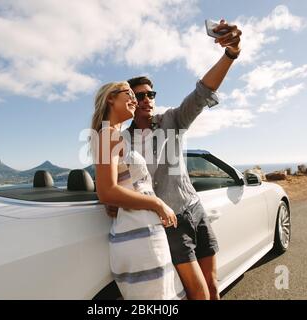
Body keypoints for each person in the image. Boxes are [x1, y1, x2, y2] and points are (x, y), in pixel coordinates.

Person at [107, 20, 242, 300]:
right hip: (169, 222)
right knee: (199, 294)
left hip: (195, 209)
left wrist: (230, 54)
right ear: (130, 101)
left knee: (214, 285)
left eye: (150, 94)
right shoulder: (121, 141)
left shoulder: (172, 121)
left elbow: (202, 92)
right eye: (138, 95)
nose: (146, 99)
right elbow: (111, 184)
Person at [90, 81, 186, 300]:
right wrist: (158, 204)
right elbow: (106, 191)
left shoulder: (113, 135)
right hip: (140, 236)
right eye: (129, 93)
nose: (135, 99)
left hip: (143, 231)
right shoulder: (108, 134)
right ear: (111, 98)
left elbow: (117, 187)